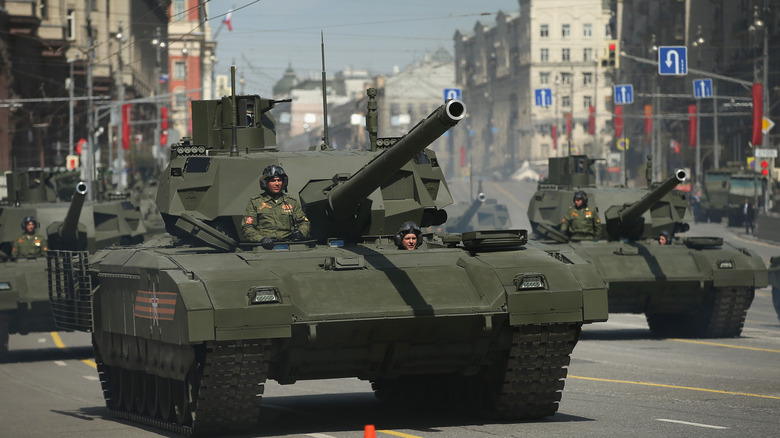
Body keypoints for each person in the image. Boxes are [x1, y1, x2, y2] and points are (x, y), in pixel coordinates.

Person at [243, 165, 310, 249]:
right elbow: (247, 227)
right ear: (265, 183)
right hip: (264, 247)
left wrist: (301, 233)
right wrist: (261, 239)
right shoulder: (255, 202)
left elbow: (304, 222)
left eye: (279, 180)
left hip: (290, 246)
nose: (277, 184)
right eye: (273, 181)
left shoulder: (291, 201)